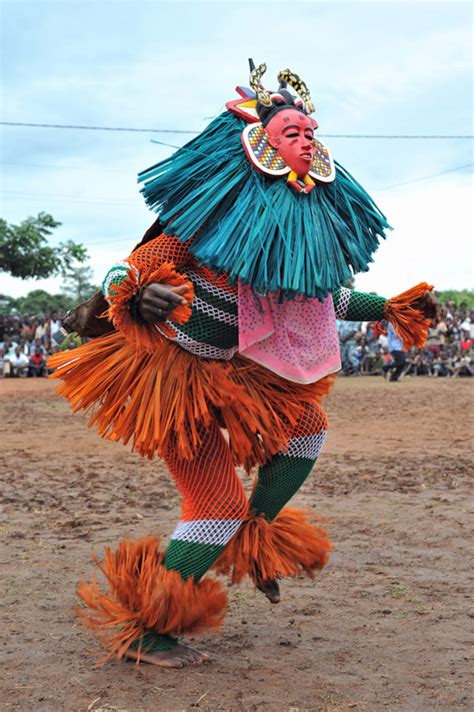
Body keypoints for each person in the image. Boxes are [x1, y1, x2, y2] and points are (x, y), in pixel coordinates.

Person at [50, 61, 439, 668]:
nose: (308, 138)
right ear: (259, 147)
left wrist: (391, 306)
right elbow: (127, 268)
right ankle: (147, 628)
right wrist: (137, 296)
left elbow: (328, 297)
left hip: (241, 378)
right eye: (292, 130)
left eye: (312, 130)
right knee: (213, 509)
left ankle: (255, 532)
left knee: (309, 429)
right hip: (175, 385)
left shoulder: (282, 244)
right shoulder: (200, 229)